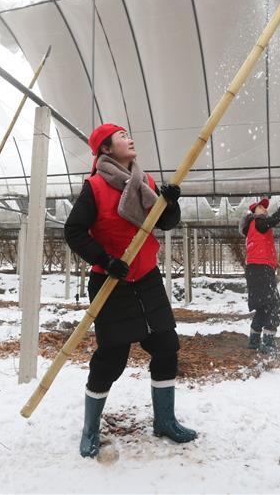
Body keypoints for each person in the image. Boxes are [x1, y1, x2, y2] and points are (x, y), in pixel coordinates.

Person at [64, 123, 197, 458]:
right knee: (112, 361)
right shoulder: (94, 187)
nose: (130, 138)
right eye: (122, 136)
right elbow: (74, 231)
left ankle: (165, 421)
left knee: (166, 346)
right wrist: (105, 260)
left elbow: (164, 223)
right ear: (105, 150)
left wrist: (171, 203)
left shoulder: (145, 181)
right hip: (112, 283)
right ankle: (90, 428)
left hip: (147, 278)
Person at [239, 195, 280, 353]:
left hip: (257, 269)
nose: (264, 208)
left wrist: (275, 263)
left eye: (265, 207)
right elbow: (273, 220)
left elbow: (260, 250)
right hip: (260, 270)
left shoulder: (256, 227)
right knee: (276, 307)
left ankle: (254, 342)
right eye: (261, 206)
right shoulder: (258, 222)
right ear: (253, 211)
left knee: (264, 308)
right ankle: (268, 343)